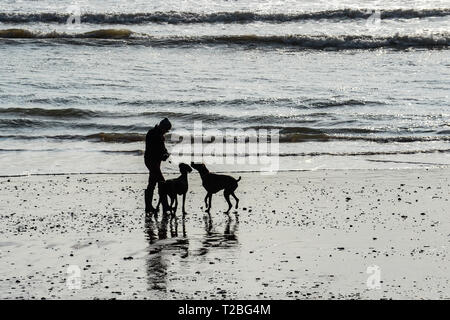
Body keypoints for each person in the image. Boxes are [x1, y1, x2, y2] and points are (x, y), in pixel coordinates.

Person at [144, 118, 172, 214]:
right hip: (151, 161)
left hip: (154, 161)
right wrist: (163, 155)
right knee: (162, 183)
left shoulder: (157, 134)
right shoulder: (154, 135)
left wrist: (166, 153)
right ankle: (165, 206)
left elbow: (163, 149)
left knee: (152, 183)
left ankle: (149, 207)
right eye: (166, 130)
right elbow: (154, 150)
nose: (166, 132)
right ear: (162, 127)